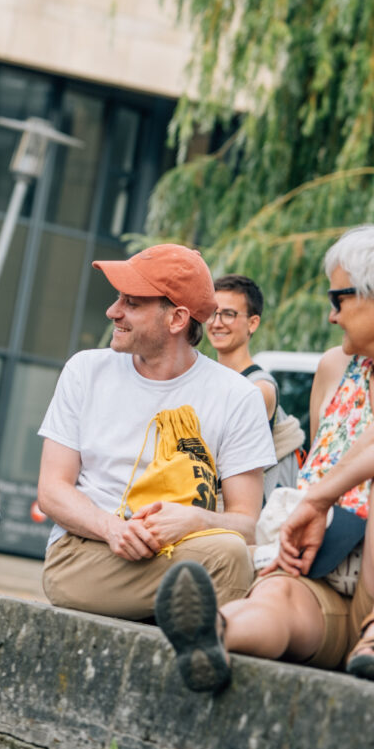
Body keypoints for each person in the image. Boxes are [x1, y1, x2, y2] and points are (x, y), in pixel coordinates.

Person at [154, 224, 374, 693]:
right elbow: (316, 469)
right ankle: (216, 634)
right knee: (278, 595)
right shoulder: (334, 369)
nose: (332, 317)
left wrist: (316, 501)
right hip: (332, 587)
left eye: (338, 300)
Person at [36, 243, 276, 622]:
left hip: (188, 552)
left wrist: (196, 520)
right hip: (86, 553)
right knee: (231, 564)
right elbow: (52, 491)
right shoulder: (86, 370)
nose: (113, 311)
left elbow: (248, 523)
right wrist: (112, 529)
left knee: (241, 556)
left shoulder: (238, 396)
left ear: (177, 319)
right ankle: (197, 626)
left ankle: (189, 627)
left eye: (131, 303)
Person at [208, 274, 305, 496]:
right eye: (212, 313)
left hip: (246, 507)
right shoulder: (209, 380)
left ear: (253, 323)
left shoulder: (259, 388)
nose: (216, 323)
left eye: (228, 314)